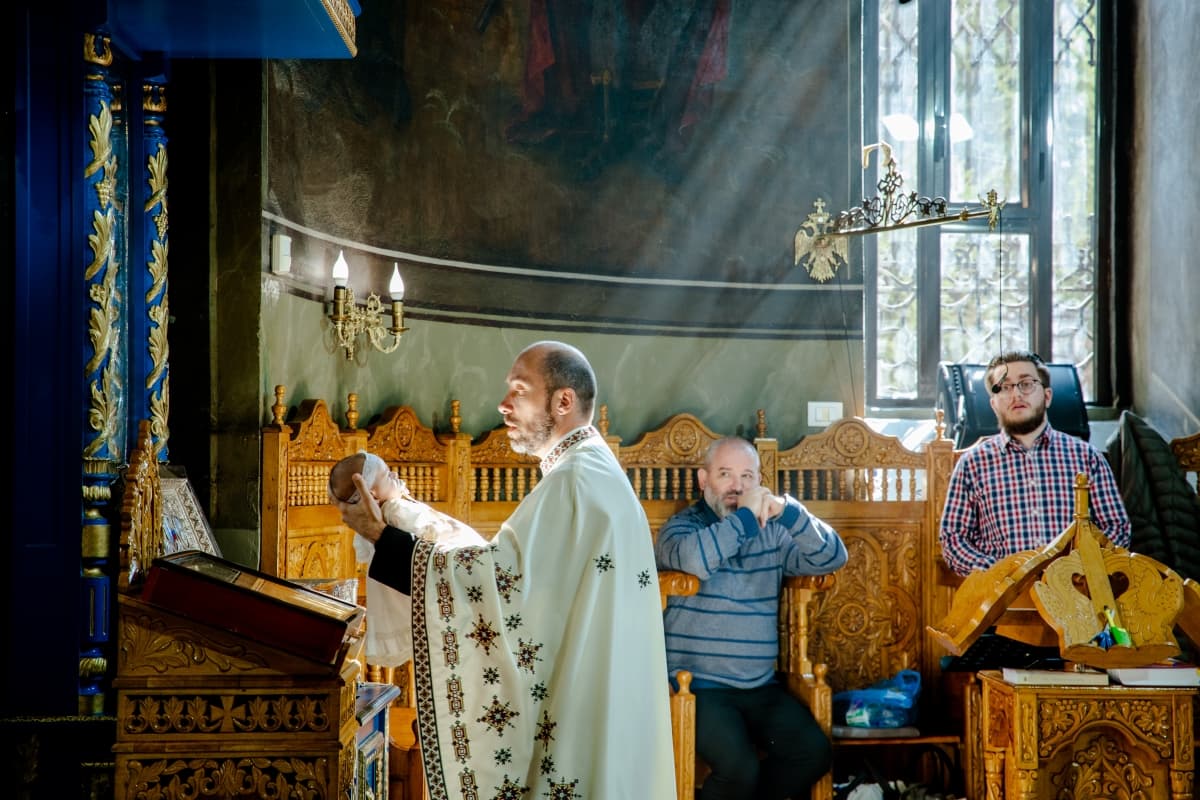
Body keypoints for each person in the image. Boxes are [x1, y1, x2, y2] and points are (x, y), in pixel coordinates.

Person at [333, 341, 676, 800]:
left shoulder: (574, 481)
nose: (503, 404)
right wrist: (400, 509)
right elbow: (496, 566)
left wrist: (383, 536)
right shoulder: (591, 472)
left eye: (519, 390)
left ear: (563, 401)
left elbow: (493, 584)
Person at [655, 436, 848, 800]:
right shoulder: (681, 528)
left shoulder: (774, 532)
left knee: (814, 752)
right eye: (725, 474)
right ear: (703, 480)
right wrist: (745, 519)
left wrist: (787, 512)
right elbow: (697, 561)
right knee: (739, 770)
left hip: (760, 686)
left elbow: (832, 558)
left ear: (759, 481)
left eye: (747, 476)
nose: (737, 486)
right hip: (698, 687)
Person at [939, 350, 1131, 576]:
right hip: (1004, 599)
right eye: (1005, 387)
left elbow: (1117, 527)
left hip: (1076, 596)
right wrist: (1001, 573)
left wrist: (1076, 569)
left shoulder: (1086, 458)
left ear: (1047, 396)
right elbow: (953, 539)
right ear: (993, 404)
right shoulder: (973, 464)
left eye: (1026, 384)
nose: (1016, 394)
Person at [328, 451, 486, 667]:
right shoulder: (396, 509)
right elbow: (429, 533)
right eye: (385, 475)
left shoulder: (393, 511)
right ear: (372, 494)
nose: (394, 474)